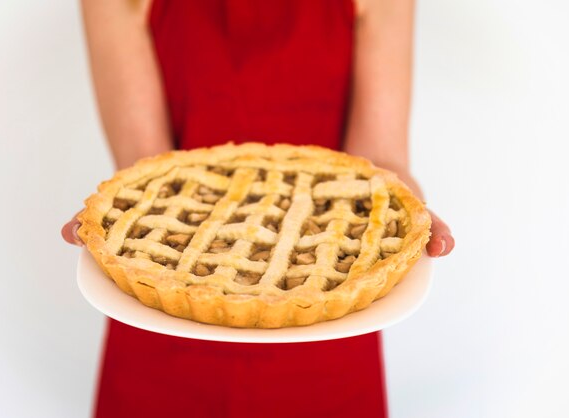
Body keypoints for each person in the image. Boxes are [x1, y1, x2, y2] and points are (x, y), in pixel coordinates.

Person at [62, 0, 455, 417]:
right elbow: (147, 172)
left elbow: (378, 164)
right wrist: (109, 220)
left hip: (328, 315)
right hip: (164, 313)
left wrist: (409, 208)